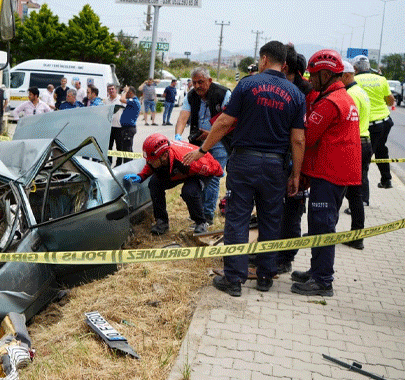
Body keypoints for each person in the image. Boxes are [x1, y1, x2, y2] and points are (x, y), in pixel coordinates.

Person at [184, 41, 306, 297]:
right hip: (275, 167)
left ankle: (234, 279)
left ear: (263, 59)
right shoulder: (295, 94)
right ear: (284, 64)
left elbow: (225, 122)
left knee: (238, 219)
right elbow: (298, 139)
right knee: (271, 220)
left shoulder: (248, 85)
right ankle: (265, 276)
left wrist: (202, 150)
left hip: (244, 163)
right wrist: (296, 174)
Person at [290, 49, 361, 297]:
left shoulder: (330, 103)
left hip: (329, 173)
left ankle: (323, 280)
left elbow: (307, 138)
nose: (309, 79)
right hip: (337, 172)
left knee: (322, 225)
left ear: (326, 74)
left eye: (313, 74)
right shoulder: (343, 97)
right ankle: (316, 270)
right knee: (322, 222)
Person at [275, 46, 320, 275]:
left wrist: (301, 171)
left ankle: (285, 257)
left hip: (298, 162)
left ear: (286, 68)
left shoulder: (308, 93)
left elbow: (306, 136)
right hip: (276, 159)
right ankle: (269, 252)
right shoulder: (279, 87)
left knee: (292, 212)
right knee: (272, 210)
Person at [123, 133, 223, 235]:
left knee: (189, 192)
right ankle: (161, 222)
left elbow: (212, 166)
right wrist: (141, 176)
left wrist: (219, 172)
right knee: (154, 184)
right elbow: (150, 164)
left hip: (194, 173)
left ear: (165, 155)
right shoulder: (160, 157)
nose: (149, 162)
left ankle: (201, 222)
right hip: (176, 171)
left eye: (152, 160)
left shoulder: (188, 160)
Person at [174, 67, 231, 225]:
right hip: (198, 143)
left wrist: (211, 133)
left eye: (201, 82)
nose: (198, 86)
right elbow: (183, 116)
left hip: (220, 142)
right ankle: (199, 213)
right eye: (194, 82)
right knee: (198, 176)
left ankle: (207, 216)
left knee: (212, 178)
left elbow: (229, 121)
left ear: (210, 81)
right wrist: (178, 136)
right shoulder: (191, 95)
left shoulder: (223, 94)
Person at [352, 55, 396, 190]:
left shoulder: (354, 80)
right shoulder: (381, 79)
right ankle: (386, 179)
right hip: (386, 121)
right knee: (381, 149)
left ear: (355, 68)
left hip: (370, 125)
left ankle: (363, 197)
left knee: (364, 160)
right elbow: (391, 101)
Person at [341, 60, 372, 250]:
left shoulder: (350, 94)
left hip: (356, 144)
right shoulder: (360, 91)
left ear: (346, 75)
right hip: (365, 142)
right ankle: (356, 235)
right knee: (355, 193)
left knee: (350, 193)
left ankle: (357, 236)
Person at [117, 86, 140, 165]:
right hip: (126, 128)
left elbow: (121, 99)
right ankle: (130, 165)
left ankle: (128, 167)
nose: (125, 94)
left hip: (128, 128)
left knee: (127, 150)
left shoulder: (134, 101)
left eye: (127, 93)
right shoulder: (133, 101)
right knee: (127, 149)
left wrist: (125, 91)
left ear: (130, 93)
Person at [105, 84, 124, 166]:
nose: (111, 91)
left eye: (112, 89)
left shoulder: (120, 99)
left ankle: (119, 164)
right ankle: (109, 162)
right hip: (109, 127)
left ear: (116, 90)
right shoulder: (106, 100)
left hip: (119, 127)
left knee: (119, 147)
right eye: (109, 89)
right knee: (109, 146)